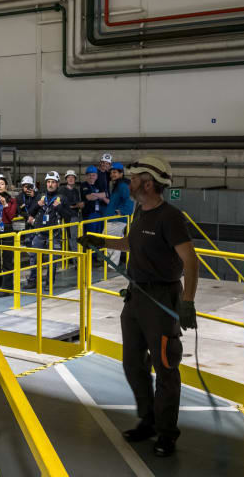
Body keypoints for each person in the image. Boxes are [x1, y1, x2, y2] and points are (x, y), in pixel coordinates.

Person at [79, 155, 200, 458]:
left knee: (166, 367)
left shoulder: (170, 218)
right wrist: (100, 241)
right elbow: (130, 244)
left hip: (161, 299)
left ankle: (167, 433)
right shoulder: (139, 212)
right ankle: (148, 421)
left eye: (133, 179)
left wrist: (187, 303)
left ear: (147, 183)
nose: (128, 183)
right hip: (136, 297)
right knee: (133, 364)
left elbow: (190, 261)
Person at [25, 172, 71, 290]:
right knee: (34, 258)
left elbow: (68, 216)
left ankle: (49, 283)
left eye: (53, 182)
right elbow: (30, 212)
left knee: (52, 260)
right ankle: (33, 281)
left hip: (54, 234)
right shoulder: (40, 196)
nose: (50, 184)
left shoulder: (62, 198)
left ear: (57, 184)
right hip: (40, 233)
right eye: (49, 182)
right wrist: (37, 205)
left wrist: (59, 207)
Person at [104, 162, 134, 264]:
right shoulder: (118, 185)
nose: (112, 174)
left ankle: (109, 266)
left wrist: (121, 212)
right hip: (114, 219)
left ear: (121, 173)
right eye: (111, 172)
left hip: (116, 220)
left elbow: (129, 201)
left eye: (115, 172)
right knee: (115, 243)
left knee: (108, 241)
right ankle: (112, 265)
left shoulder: (123, 185)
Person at [16, 175, 41, 287]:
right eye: (25, 186)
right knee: (32, 254)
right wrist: (28, 217)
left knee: (35, 254)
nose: (27, 189)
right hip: (27, 227)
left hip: (38, 226)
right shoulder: (19, 197)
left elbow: (40, 207)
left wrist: (35, 197)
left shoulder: (37, 195)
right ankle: (33, 277)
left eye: (29, 186)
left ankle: (34, 278)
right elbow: (19, 210)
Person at [61, 170, 83, 253]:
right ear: (66, 179)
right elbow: (62, 205)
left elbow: (77, 202)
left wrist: (80, 205)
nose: (71, 179)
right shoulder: (62, 190)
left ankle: (73, 257)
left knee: (75, 237)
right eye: (69, 177)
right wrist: (76, 206)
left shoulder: (76, 191)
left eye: (72, 177)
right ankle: (74, 258)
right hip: (67, 218)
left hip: (76, 216)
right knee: (71, 237)